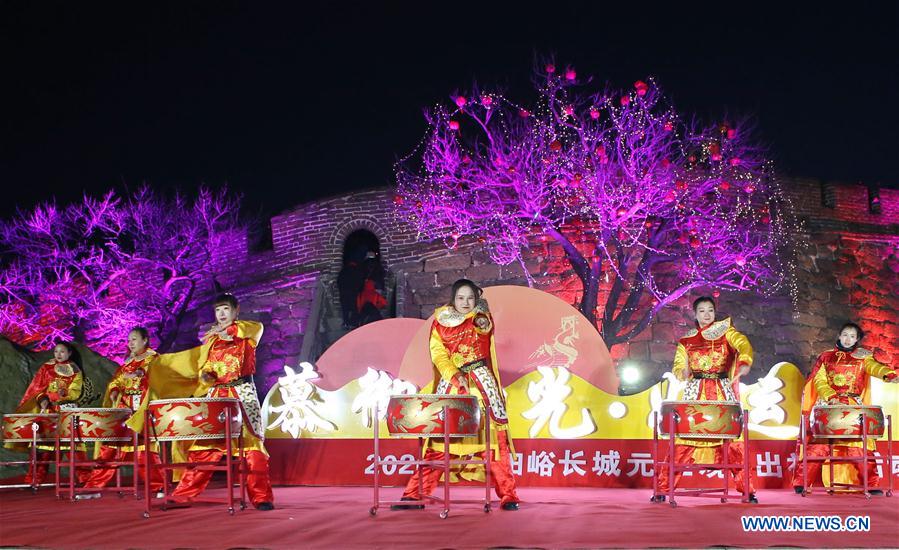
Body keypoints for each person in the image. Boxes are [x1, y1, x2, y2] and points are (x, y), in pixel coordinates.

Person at [394, 279, 521, 511]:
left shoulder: (481, 317)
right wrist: (453, 375)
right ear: (453, 298)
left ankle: (508, 494)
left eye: (470, 297)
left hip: (481, 385)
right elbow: (439, 355)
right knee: (438, 442)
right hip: (452, 386)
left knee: (494, 442)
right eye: (461, 298)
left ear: (477, 298)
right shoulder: (440, 322)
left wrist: (480, 315)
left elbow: (484, 330)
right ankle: (416, 493)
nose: (466, 302)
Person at [169, 293, 275, 511]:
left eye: (226, 309)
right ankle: (183, 494)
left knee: (252, 446)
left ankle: (261, 496)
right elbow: (205, 369)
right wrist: (205, 377)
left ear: (236, 311)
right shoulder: (211, 342)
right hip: (217, 395)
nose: (222, 314)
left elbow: (254, 327)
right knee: (205, 446)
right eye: (218, 310)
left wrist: (225, 330)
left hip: (242, 393)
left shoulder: (249, 332)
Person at [654, 296, 758, 503]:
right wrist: (681, 371)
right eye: (702, 311)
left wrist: (745, 361)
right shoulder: (687, 340)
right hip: (695, 392)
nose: (707, 314)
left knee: (732, 443)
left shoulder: (727, 332)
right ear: (695, 314)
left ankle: (747, 490)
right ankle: (662, 488)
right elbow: (678, 365)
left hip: (721, 391)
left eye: (710, 310)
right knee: (683, 440)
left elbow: (743, 345)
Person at [791, 322, 897, 495]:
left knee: (859, 446)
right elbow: (819, 380)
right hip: (829, 405)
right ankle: (802, 482)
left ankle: (872, 484)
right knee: (819, 446)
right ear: (839, 336)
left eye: (853, 336)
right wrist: (831, 396)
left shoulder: (863, 357)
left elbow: (875, 368)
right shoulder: (826, 356)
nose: (848, 339)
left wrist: (888, 374)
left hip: (852, 406)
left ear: (857, 340)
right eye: (845, 335)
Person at [78, 327, 164, 498]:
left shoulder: (154, 359)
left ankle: (158, 487)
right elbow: (116, 381)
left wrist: (143, 374)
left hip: (142, 409)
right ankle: (94, 487)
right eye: (129, 340)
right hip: (124, 409)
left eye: (134, 339)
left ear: (145, 340)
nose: (130, 343)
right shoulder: (127, 362)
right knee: (109, 448)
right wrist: (115, 390)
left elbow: (161, 379)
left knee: (145, 451)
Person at [11, 341, 89, 486]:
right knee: (43, 448)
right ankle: (34, 480)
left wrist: (64, 393)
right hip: (49, 412)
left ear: (69, 353)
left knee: (74, 447)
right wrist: (43, 400)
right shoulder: (46, 368)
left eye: (62, 352)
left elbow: (76, 391)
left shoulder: (75, 370)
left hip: (67, 413)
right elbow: (38, 390)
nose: (58, 354)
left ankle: (84, 478)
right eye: (56, 351)